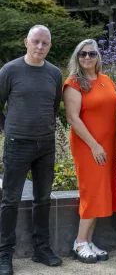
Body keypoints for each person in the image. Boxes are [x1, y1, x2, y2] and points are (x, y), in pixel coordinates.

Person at [0, 25, 63, 275]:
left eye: (45, 43)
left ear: (49, 45)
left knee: (43, 199)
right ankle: (4, 254)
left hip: (45, 145)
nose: (40, 47)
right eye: (35, 41)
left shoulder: (54, 73)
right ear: (26, 42)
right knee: (10, 200)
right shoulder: (9, 70)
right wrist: (10, 130)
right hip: (17, 145)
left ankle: (41, 249)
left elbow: (54, 106)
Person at [63, 39, 116, 263]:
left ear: (98, 57)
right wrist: (94, 145)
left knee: (100, 192)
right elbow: (72, 119)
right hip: (89, 147)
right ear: (77, 57)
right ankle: (79, 242)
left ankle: (88, 241)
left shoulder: (106, 80)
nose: (87, 57)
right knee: (91, 192)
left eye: (92, 54)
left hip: (107, 147)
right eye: (82, 54)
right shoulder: (73, 83)